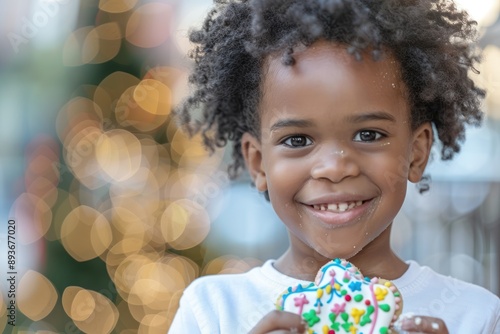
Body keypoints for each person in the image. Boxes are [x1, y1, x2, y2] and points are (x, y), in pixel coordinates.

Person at [169, 0, 500, 333]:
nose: (334, 168)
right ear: (258, 163)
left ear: (416, 153)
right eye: (297, 140)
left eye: (369, 134)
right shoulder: (212, 311)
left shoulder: (476, 316)